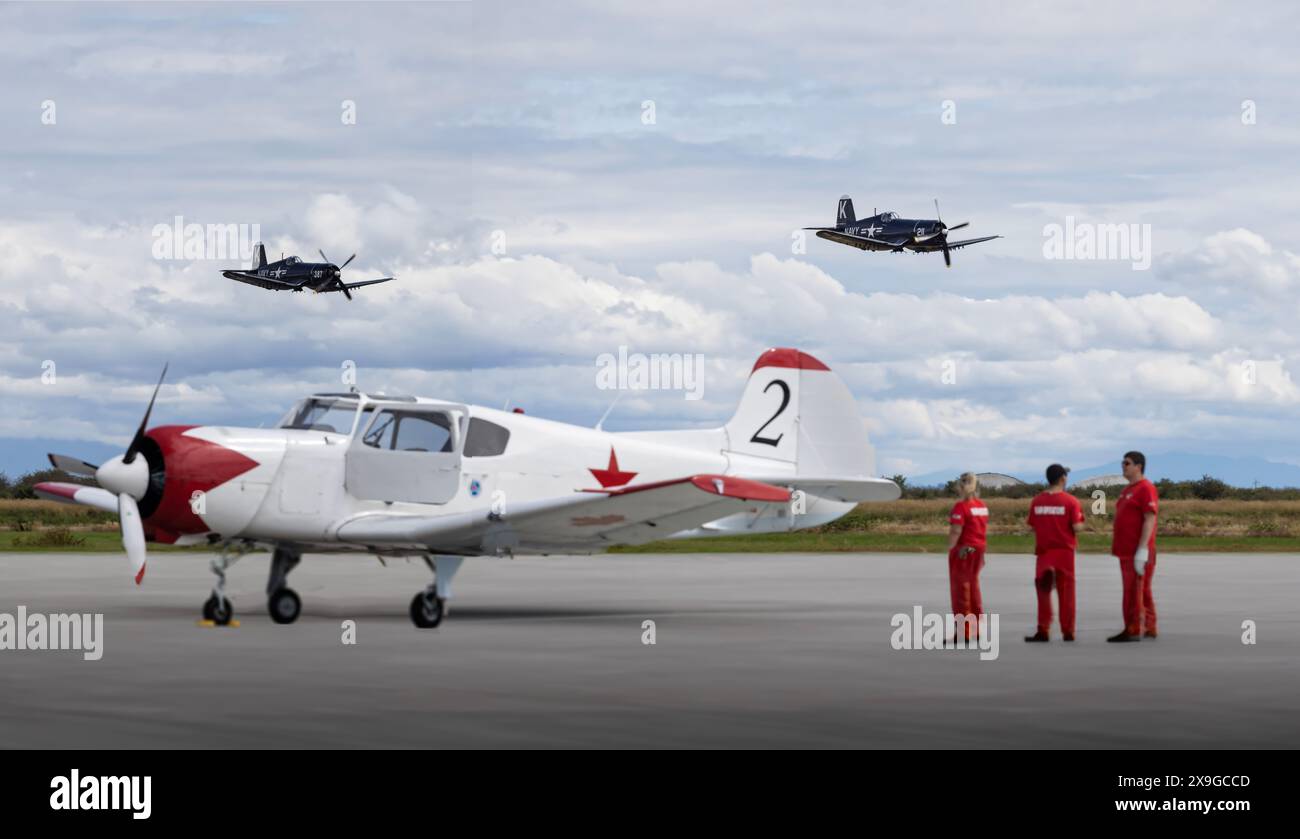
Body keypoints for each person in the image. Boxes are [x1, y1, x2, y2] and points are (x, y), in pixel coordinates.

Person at [1025, 464, 1085, 642]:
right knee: (1066, 593)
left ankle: (1043, 629)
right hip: (1064, 553)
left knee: (1043, 592)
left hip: (1044, 552)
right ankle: (1068, 630)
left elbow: (1030, 526)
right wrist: (1084, 524)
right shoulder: (1071, 501)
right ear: (1063, 479)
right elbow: (1077, 526)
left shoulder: (1037, 501)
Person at [1109, 451, 1159, 643]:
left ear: (1138, 466)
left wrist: (1143, 549)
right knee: (1142, 589)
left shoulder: (1145, 488)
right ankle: (1150, 626)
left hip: (1136, 551)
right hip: (1125, 550)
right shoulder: (1128, 489)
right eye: (1123, 462)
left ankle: (1132, 629)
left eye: (1127, 463)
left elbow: (1149, 518)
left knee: (1133, 592)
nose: (1123, 466)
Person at [946, 472, 988, 642]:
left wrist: (950, 548)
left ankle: (964, 630)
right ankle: (976, 629)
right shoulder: (982, 506)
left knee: (960, 590)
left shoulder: (960, 507)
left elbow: (956, 530)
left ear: (960, 486)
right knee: (974, 588)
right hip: (978, 549)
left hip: (964, 550)